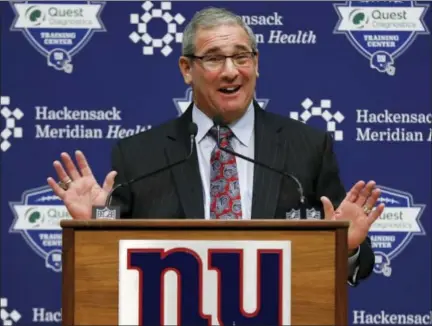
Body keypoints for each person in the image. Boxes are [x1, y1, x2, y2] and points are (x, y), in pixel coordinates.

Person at [47, 7, 384, 286]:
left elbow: (357, 261)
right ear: (186, 69)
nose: (230, 71)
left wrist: (348, 247)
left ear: (256, 63)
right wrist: (95, 225)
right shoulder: (139, 156)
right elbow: (112, 268)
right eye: (213, 59)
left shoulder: (308, 147)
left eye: (241, 57)